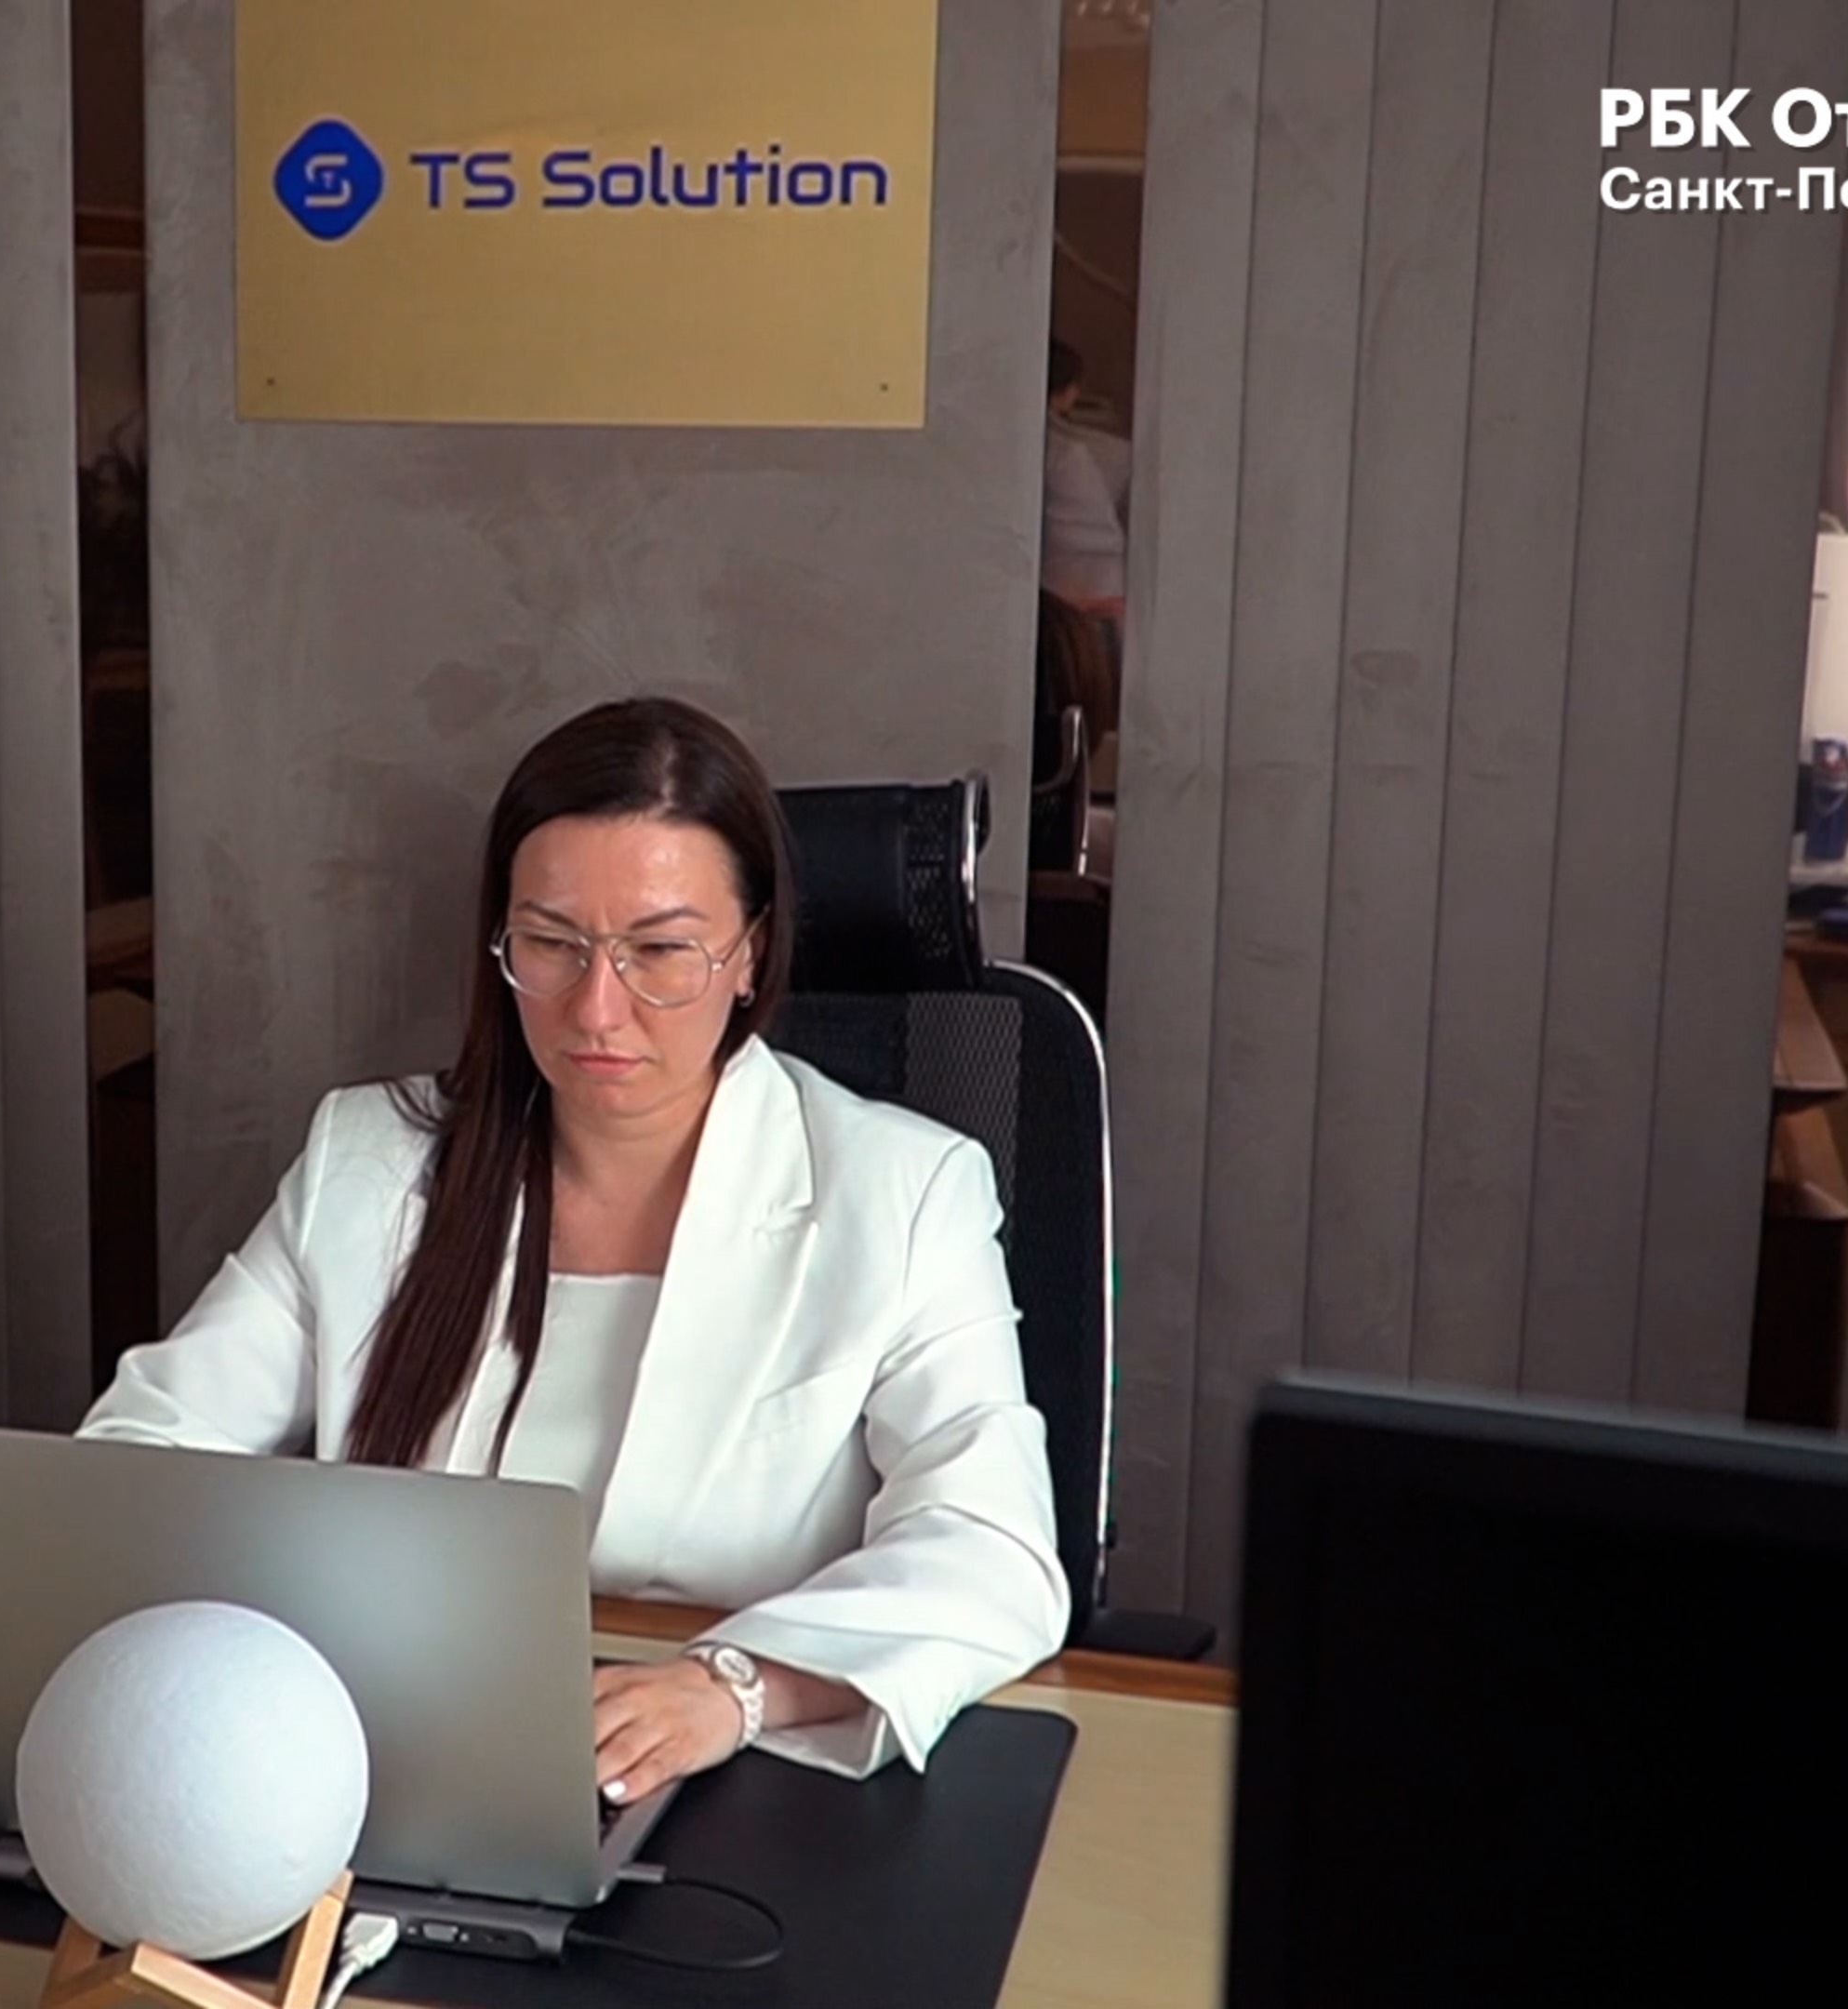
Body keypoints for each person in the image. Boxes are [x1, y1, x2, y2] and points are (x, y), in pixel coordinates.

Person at [81, 698, 1070, 1810]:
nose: (597, 1010)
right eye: (552, 945)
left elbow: (991, 1550)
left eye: (660, 951)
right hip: (393, 1749)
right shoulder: (367, 1160)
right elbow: (135, 1460)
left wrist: (735, 1687)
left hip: (741, 1781)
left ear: (750, 956)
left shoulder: (904, 1193)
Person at [1042, 339, 1126, 611]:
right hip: (1073, 592)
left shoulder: (1068, 451)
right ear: (1068, 393)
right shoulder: (1069, 455)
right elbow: (1096, 546)